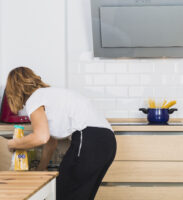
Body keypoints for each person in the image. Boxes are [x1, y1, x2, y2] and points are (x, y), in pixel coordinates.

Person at [6, 66, 116, 200]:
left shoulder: (35, 99)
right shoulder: (50, 95)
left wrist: (13, 143)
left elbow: (41, 137)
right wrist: (41, 169)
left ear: (14, 89)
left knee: (62, 192)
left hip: (90, 139)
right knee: (80, 195)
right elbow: (50, 142)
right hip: (107, 142)